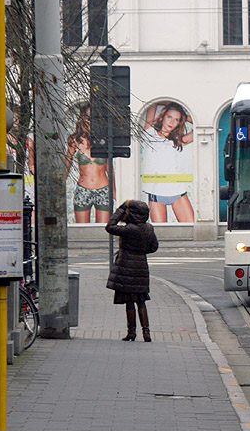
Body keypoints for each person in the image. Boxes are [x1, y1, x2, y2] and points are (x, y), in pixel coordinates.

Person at [105, 200, 158, 342]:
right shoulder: (149, 228)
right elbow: (153, 247)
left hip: (126, 268)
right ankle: (146, 332)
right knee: (141, 300)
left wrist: (121, 208)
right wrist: (140, 252)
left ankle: (131, 332)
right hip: (141, 267)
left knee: (129, 301)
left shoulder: (129, 229)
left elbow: (110, 227)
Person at [142, 102, 196, 223]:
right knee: (161, 234)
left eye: (176, 120)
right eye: (169, 117)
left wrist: (184, 116)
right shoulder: (149, 133)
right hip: (156, 193)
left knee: (191, 227)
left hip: (177, 192)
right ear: (162, 117)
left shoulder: (177, 141)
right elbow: (153, 102)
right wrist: (167, 103)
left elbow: (200, 126)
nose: (172, 122)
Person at [65, 102, 113, 223]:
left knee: (103, 230)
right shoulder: (74, 140)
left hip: (103, 189)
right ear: (82, 119)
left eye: (94, 118)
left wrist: (115, 192)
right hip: (83, 189)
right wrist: (59, 185)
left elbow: (110, 169)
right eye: (88, 118)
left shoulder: (104, 140)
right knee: (82, 229)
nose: (90, 122)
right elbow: (67, 164)